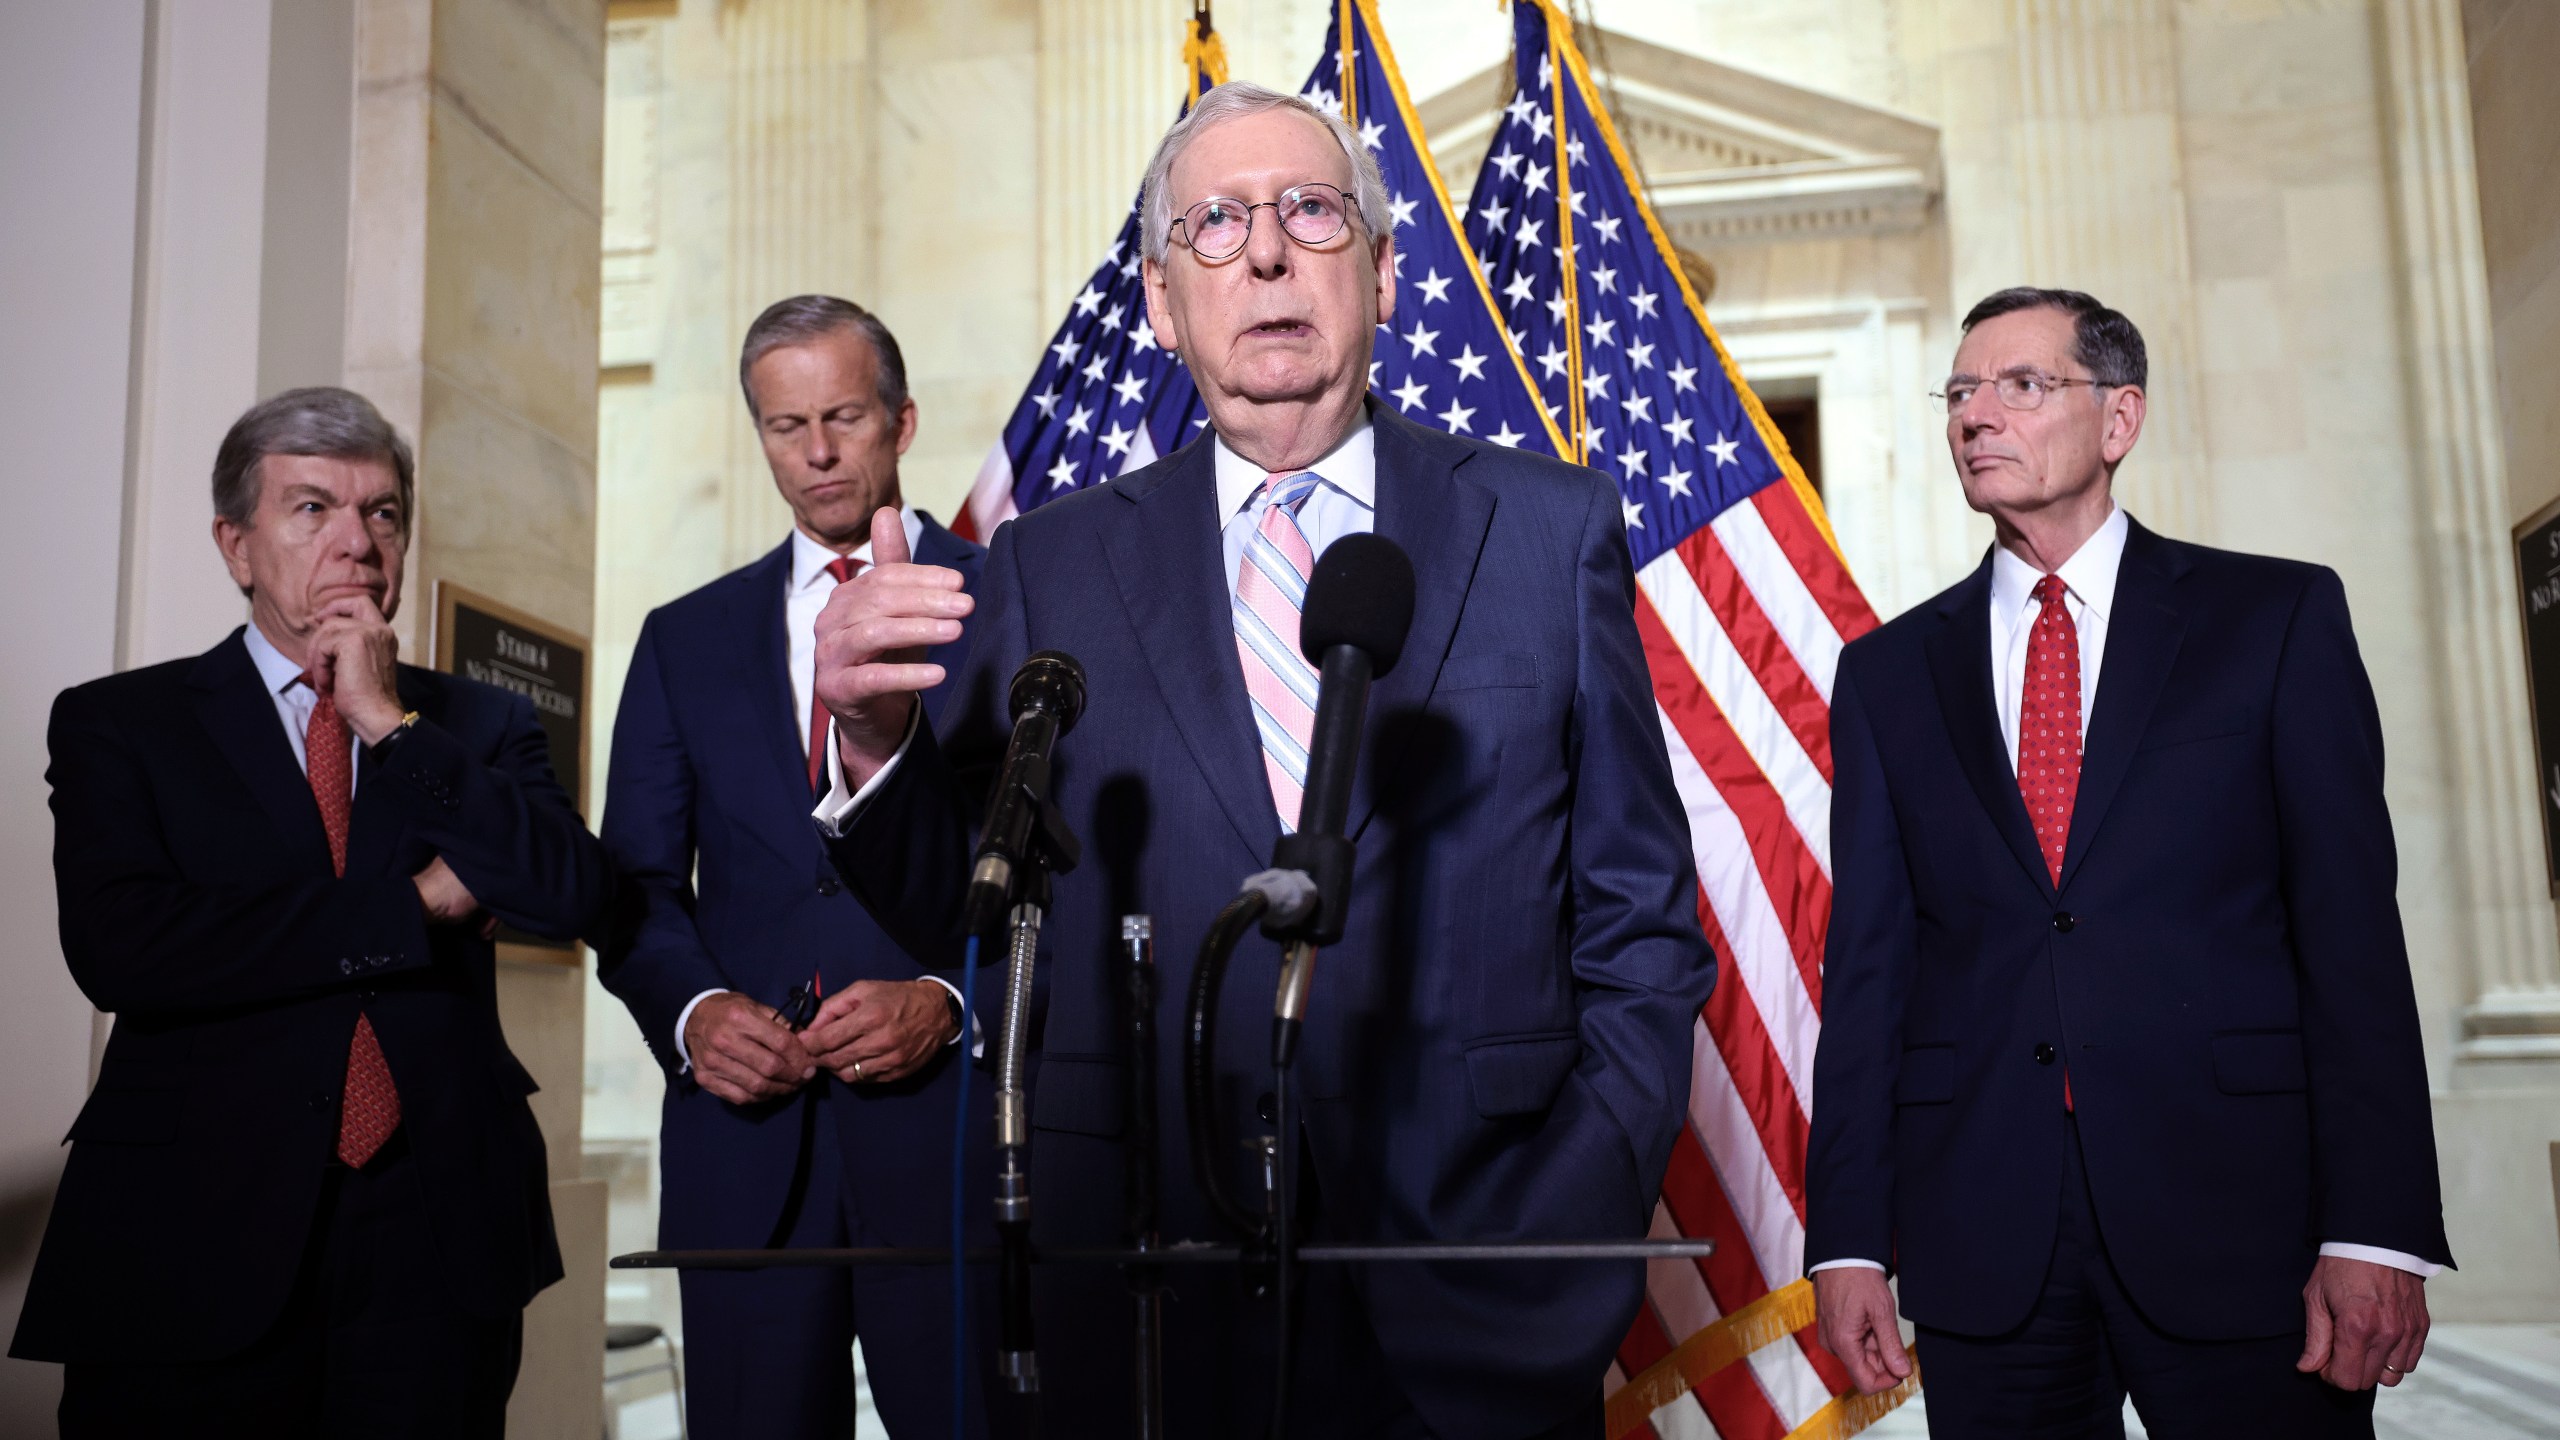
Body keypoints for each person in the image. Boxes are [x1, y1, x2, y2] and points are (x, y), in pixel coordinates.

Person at [805, 82, 1714, 1439]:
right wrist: (874, 742)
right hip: (1148, 1290)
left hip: (1478, 1283)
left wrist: (1567, 1216)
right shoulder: (1052, 565)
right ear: (1166, 308)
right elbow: (961, 901)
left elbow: (1641, 925)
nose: (1270, 252)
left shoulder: (1547, 529)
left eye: (1309, 210)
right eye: (1215, 225)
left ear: (1385, 273)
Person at [1806, 288, 2451, 1437]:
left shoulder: (2276, 619)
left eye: (2020, 385)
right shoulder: (1887, 676)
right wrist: (1848, 1238)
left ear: (2119, 420)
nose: (1974, 417)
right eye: (1958, 392)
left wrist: (2374, 1225)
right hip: (1985, 1235)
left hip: (2241, 1217)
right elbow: (1866, 977)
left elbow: (2349, 936)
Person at [12, 386, 610, 1437]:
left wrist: (389, 723)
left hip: (435, 1234)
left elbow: (568, 888)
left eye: (382, 514)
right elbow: (128, 949)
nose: (357, 541)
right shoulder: (121, 724)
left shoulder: (478, 723)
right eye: (313, 509)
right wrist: (416, 904)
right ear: (236, 545)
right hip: (192, 1227)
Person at [597, 296, 995, 1439]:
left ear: (901, 420)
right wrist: (694, 1011)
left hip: (949, 1148)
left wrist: (951, 1001)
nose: (814, 454)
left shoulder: (1009, 595)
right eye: (783, 427)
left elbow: (1073, 875)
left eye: (842, 417)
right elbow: (636, 886)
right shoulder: (686, 638)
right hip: (745, 1156)